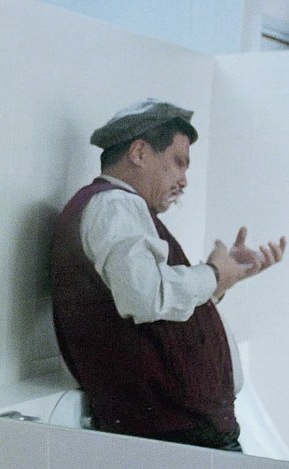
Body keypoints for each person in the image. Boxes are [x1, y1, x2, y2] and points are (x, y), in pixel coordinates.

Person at [50, 98, 286, 452]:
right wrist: (212, 273)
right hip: (172, 436)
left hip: (179, 433)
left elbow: (148, 296)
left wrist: (224, 279)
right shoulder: (115, 205)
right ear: (139, 153)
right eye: (179, 162)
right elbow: (146, 296)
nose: (184, 180)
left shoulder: (117, 208)